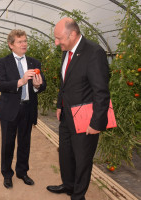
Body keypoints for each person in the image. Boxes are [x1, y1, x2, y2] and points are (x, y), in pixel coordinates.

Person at [46, 18, 110, 200]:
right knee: (66, 154)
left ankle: (78, 195)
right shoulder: (66, 51)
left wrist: (97, 122)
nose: (56, 42)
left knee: (82, 160)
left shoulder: (93, 52)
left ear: (72, 34)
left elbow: (101, 92)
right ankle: (68, 186)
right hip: (67, 115)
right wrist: (60, 104)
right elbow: (64, 82)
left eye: (59, 38)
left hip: (85, 118)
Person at [0, 29, 46, 189]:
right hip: (9, 109)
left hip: (27, 108)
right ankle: (7, 174)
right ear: (11, 45)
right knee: (8, 143)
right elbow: (1, 84)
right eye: (20, 42)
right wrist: (21, 81)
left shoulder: (34, 62)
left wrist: (38, 85)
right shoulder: (3, 62)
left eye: (25, 41)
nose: (24, 44)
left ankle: (22, 172)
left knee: (25, 142)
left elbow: (42, 84)